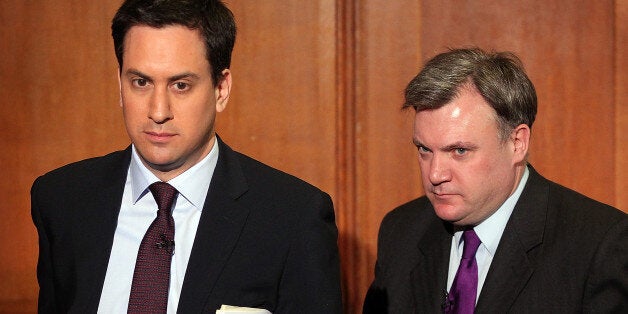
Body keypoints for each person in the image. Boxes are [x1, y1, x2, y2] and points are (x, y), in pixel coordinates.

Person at [30, 0, 342, 313]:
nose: (158, 111)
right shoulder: (62, 200)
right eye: (141, 82)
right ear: (120, 84)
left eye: (181, 85)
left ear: (221, 89)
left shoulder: (293, 217)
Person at [363, 48, 627, 313]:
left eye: (459, 151)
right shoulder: (401, 231)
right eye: (424, 150)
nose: (435, 174)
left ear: (517, 143)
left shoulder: (598, 244)